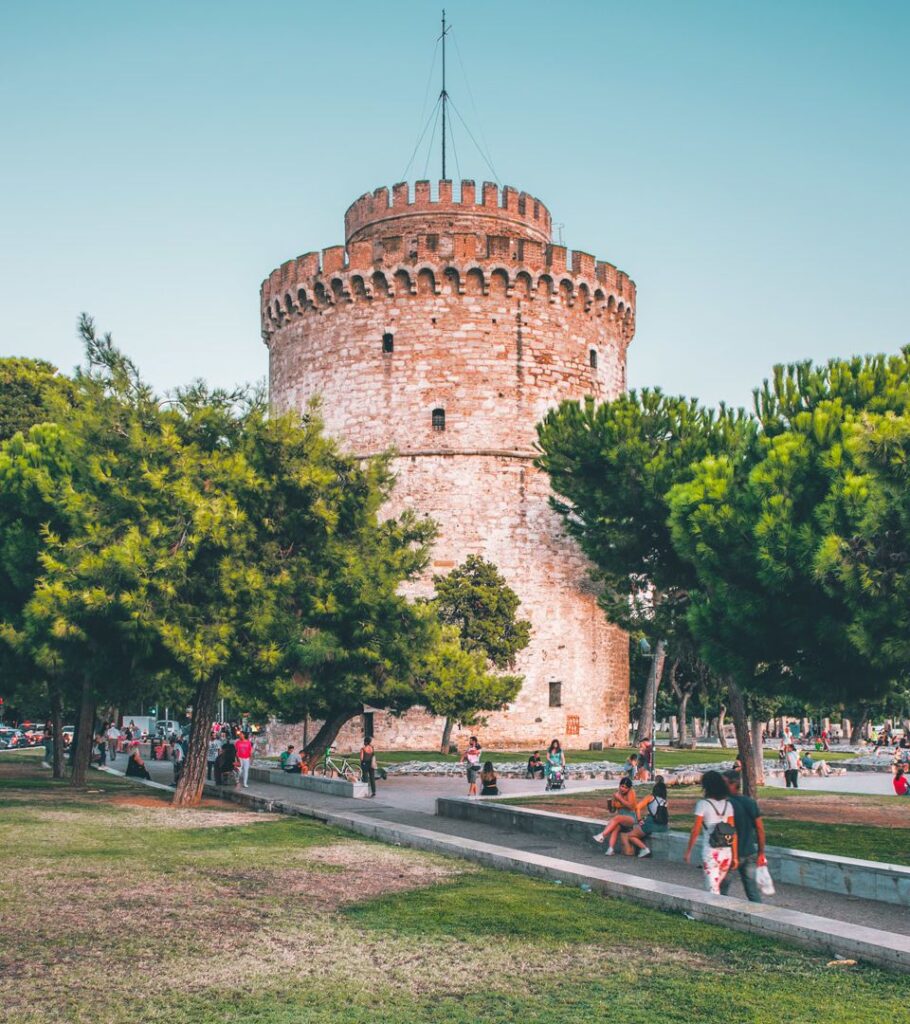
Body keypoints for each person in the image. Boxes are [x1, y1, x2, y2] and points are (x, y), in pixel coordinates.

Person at [684, 770, 738, 894]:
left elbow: (695, 830)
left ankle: (714, 911)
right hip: (726, 852)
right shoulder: (728, 805)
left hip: (711, 851)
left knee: (713, 889)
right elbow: (733, 832)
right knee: (716, 886)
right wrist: (735, 856)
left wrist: (688, 851)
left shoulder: (703, 804)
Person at [720, 771, 766, 903]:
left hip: (730, 853)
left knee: (721, 889)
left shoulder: (726, 804)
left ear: (733, 784)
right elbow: (760, 829)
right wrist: (761, 852)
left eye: (724, 782)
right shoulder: (750, 803)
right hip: (749, 852)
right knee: (752, 890)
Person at [592, 777, 639, 855]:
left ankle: (603, 835)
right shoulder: (617, 794)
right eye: (622, 786)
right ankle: (610, 849)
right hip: (620, 820)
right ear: (619, 785)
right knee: (615, 828)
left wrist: (619, 798)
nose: (623, 789)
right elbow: (612, 811)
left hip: (630, 819)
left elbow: (631, 806)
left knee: (617, 818)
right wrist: (609, 804)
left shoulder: (631, 792)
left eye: (626, 788)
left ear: (629, 788)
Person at [627, 776, 669, 858]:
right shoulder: (665, 801)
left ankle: (645, 849)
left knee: (631, 835)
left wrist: (639, 820)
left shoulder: (650, 797)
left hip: (652, 824)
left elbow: (637, 807)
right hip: (664, 826)